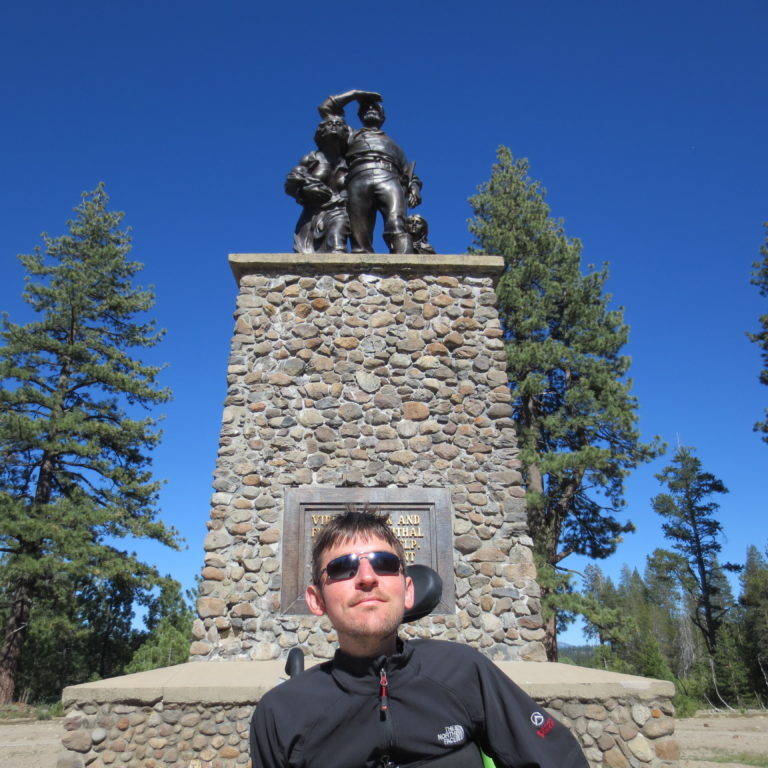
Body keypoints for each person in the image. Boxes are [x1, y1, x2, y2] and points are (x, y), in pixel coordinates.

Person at [249, 511, 588, 768]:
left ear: (408, 590)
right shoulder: (280, 712)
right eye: (342, 568)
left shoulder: (464, 671)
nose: (367, 577)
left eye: (384, 563)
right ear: (316, 599)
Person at [317, 90, 422, 255]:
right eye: (366, 108)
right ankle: (360, 275)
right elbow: (326, 109)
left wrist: (414, 188)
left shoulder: (396, 147)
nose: (371, 110)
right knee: (359, 233)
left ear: (383, 117)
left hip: (389, 178)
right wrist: (354, 95)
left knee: (396, 222)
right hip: (358, 178)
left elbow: (409, 173)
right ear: (360, 116)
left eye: (376, 109)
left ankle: (405, 267)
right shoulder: (351, 135)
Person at [285, 116, 351, 253]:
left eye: (338, 124)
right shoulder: (311, 158)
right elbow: (290, 184)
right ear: (321, 131)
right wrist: (305, 189)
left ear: (345, 132)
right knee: (306, 255)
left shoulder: (351, 163)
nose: (333, 126)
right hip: (312, 214)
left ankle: (339, 274)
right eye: (329, 124)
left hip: (340, 211)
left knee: (337, 245)